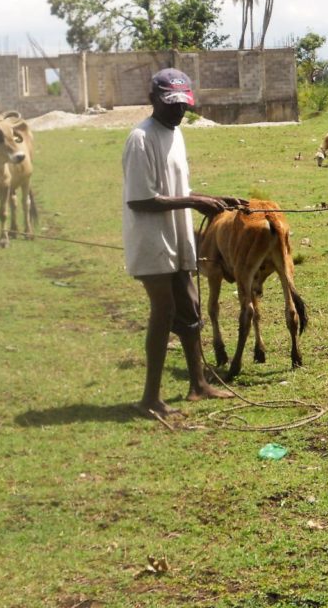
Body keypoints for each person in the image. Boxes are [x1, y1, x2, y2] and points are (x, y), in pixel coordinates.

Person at [122, 68, 242, 418]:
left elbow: (178, 191)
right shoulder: (140, 139)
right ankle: (150, 399)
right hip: (151, 241)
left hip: (178, 237)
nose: (179, 112)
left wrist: (215, 198)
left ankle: (198, 384)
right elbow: (140, 200)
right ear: (153, 100)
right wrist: (193, 203)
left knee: (189, 310)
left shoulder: (176, 134)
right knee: (164, 314)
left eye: (183, 105)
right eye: (171, 104)